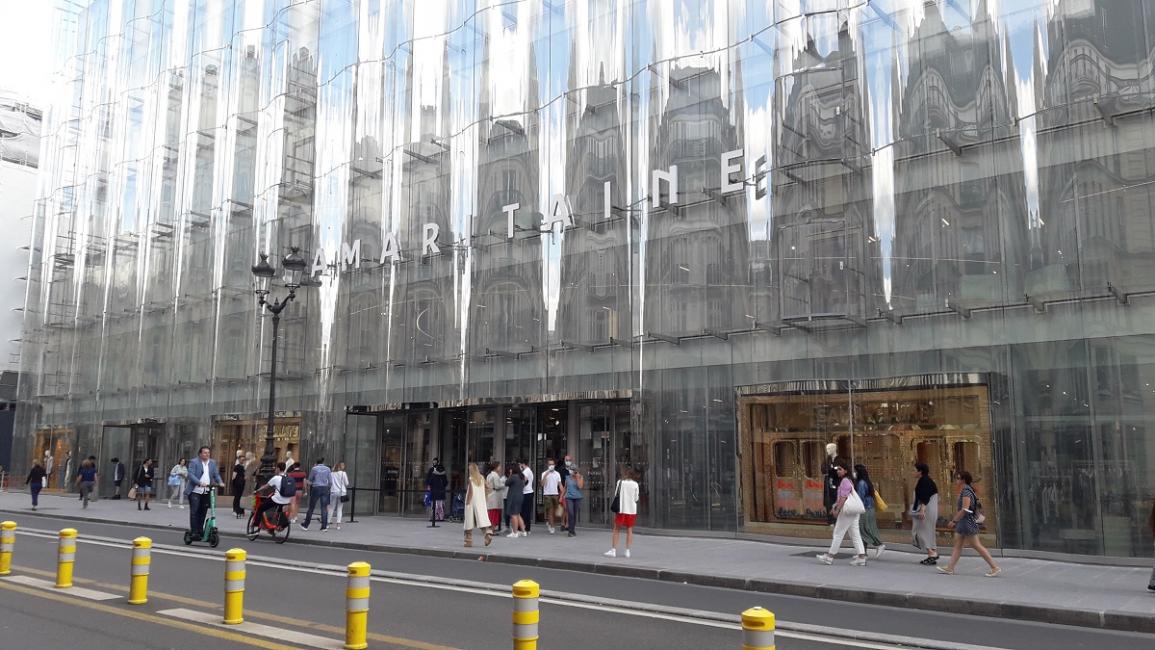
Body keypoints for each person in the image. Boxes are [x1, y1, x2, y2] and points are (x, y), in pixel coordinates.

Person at [938, 471, 1000, 577]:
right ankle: (950, 568)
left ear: (963, 480)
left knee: (976, 545)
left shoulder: (966, 491)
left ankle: (994, 567)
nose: (956, 480)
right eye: (956, 478)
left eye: (958, 478)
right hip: (963, 522)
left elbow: (965, 509)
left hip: (966, 522)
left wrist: (954, 521)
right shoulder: (966, 490)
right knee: (958, 545)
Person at [817, 459, 867, 566]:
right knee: (855, 534)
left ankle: (829, 557)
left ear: (845, 470)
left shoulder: (844, 481)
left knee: (838, 533)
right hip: (853, 512)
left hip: (847, 512)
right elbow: (843, 497)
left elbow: (843, 497)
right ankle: (861, 557)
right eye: (837, 469)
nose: (838, 471)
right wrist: (835, 506)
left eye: (840, 469)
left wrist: (837, 509)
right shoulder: (849, 480)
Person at [185, 446, 223, 538]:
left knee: (203, 512)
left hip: (206, 491)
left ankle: (200, 530)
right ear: (200, 454)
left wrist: (220, 482)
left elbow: (215, 474)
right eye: (205, 452)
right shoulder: (194, 462)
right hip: (195, 491)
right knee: (195, 511)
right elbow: (190, 474)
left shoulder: (212, 463)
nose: (207, 454)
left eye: (208, 453)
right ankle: (194, 532)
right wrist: (199, 482)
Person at [605, 467, 640, 558]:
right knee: (629, 530)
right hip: (631, 510)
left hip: (621, 509)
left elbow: (616, 494)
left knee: (616, 529)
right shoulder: (635, 484)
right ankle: (627, 551)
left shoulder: (620, 482)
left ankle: (613, 550)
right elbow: (636, 498)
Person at [912, 462, 941, 565]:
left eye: (914, 470)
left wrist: (922, 510)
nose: (913, 472)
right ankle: (932, 553)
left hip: (927, 511)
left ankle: (931, 552)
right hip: (929, 510)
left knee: (920, 532)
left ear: (920, 472)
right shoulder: (926, 480)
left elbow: (925, 497)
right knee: (928, 532)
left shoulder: (924, 481)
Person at [854, 463, 885, 559]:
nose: (853, 473)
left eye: (855, 471)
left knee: (864, 529)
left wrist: (856, 509)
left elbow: (860, 498)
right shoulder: (867, 482)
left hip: (864, 509)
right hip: (869, 508)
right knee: (865, 528)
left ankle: (878, 544)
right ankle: (863, 553)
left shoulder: (861, 483)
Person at [254, 462, 293, 529]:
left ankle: (256, 524)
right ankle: (283, 523)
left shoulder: (276, 478)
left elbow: (266, 487)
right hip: (287, 500)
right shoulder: (288, 477)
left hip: (277, 499)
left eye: (276, 468)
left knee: (260, 508)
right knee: (280, 510)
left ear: (278, 469)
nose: (275, 470)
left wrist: (257, 490)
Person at [463, 463, 493, 547]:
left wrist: (467, 502)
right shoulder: (482, 478)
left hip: (472, 502)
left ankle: (468, 540)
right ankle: (487, 533)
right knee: (480, 520)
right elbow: (489, 487)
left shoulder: (471, 479)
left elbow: (470, 492)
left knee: (468, 521)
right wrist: (485, 496)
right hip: (480, 502)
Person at [300, 458, 332, 531]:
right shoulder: (327, 469)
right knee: (324, 508)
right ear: (323, 462)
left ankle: (306, 525)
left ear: (316, 463)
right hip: (325, 488)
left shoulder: (314, 469)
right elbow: (330, 481)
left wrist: (308, 483)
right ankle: (324, 526)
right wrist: (328, 488)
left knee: (311, 507)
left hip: (316, 487)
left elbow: (310, 480)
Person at [504, 464, 526, 538]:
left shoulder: (513, 477)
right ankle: (523, 531)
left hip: (513, 497)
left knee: (513, 515)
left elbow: (506, 483)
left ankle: (515, 532)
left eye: (511, 469)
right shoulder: (522, 477)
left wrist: (510, 475)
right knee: (518, 514)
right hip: (520, 496)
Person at [541, 458, 562, 534]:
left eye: (552, 464)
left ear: (555, 465)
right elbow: (542, 484)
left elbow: (560, 485)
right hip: (547, 495)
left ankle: (550, 523)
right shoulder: (544, 473)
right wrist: (546, 475)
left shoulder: (557, 474)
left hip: (555, 494)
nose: (551, 466)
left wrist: (563, 494)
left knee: (556, 512)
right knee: (550, 511)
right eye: (550, 464)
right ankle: (552, 527)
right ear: (547, 465)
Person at [485, 461, 506, 534]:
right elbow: (497, 486)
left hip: (490, 495)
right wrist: (504, 484)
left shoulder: (489, 475)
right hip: (495, 497)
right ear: (496, 467)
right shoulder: (495, 475)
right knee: (494, 514)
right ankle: (491, 530)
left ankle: (490, 529)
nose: (500, 468)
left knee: (491, 514)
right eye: (499, 466)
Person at [329, 461, 349, 530]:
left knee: (331, 508)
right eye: (343, 465)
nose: (344, 466)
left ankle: (328, 523)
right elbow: (347, 483)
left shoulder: (332, 474)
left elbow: (329, 482)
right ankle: (338, 525)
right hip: (341, 492)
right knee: (339, 508)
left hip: (333, 491)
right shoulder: (343, 473)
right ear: (341, 466)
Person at [564, 467, 583, 537]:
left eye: (572, 470)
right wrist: (561, 496)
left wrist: (577, 478)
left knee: (574, 514)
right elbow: (565, 488)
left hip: (577, 498)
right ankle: (570, 531)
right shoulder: (567, 477)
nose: (571, 471)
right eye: (570, 470)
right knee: (571, 513)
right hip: (569, 498)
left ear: (576, 471)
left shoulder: (580, 477)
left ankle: (573, 529)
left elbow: (580, 486)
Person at [823, 443, 839, 523]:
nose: (827, 451)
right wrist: (832, 469)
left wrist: (832, 469)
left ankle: (837, 518)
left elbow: (839, 470)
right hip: (828, 483)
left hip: (837, 483)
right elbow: (823, 469)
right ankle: (830, 519)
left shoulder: (839, 459)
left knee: (837, 499)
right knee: (829, 501)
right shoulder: (827, 460)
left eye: (829, 449)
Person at [557, 454, 573, 529]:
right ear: (564, 461)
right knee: (563, 508)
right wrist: (561, 492)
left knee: (567, 508)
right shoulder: (561, 470)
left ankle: (567, 523)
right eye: (567, 460)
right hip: (563, 490)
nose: (568, 462)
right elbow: (559, 481)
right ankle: (563, 523)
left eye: (569, 460)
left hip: (571, 491)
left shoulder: (573, 470)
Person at [519, 459, 535, 534]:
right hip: (529, 492)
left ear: (523, 464)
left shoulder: (526, 471)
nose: (519, 466)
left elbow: (523, 481)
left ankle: (523, 528)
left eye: (520, 464)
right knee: (527, 511)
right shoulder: (529, 470)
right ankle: (527, 528)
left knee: (523, 512)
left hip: (526, 493)